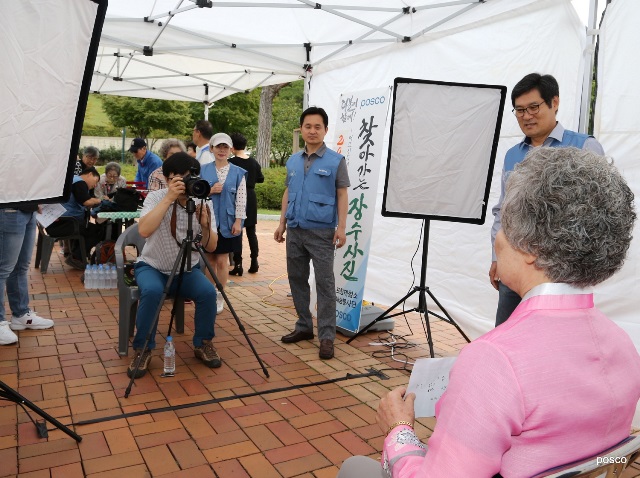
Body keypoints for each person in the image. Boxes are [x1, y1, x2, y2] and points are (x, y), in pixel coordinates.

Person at [338, 147, 640, 478]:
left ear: (531, 246)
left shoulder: (495, 359)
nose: (497, 237)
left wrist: (399, 430)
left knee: (355, 468)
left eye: (504, 223)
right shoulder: (622, 344)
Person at [489, 73, 605, 327]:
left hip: (561, 273)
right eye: (519, 110)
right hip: (517, 267)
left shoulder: (584, 148)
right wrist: (497, 258)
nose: (526, 116)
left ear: (554, 103)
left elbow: (597, 213)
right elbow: (502, 211)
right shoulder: (512, 154)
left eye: (533, 107)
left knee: (555, 339)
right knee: (507, 333)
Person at [127, 152, 220, 379]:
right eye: (184, 178)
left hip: (186, 269)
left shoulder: (201, 200)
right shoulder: (155, 197)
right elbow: (144, 231)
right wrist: (168, 198)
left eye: (193, 177)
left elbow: (212, 246)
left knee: (208, 292)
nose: (191, 183)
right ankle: (143, 348)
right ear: (169, 178)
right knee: (152, 291)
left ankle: (203, 343)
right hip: (153, 265)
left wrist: (206, 226)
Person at [273, 106, 350, 360]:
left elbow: (341, 194)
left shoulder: (335, 161)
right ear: (302, 129)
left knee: (325, 284)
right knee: (296, 279)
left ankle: (327, 337)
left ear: (325, 130)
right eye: (308, 126)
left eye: (318, 126)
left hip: (322, 232)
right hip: (295, 229)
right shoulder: (293, 161)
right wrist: (281, 223)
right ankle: (304, 326)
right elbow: (288, 192)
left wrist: (341, 227)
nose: (313, 130)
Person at [200, 133, 247, 314]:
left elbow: (241, 199)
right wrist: (209, 191)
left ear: (231, 150)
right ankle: (208, 294)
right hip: (208, 222)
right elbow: (196, 195)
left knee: (222, 260)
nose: (222, 150)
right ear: (211, 148)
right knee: (209, 260)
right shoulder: (202, 170)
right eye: (218, 146)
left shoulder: (238, 172)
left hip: (228, 223)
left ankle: (220, 295)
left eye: (225, 147)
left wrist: (238, 221)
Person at [0, 204, 54, 345]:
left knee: (21, 266)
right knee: (3, 269)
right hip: (8, 208)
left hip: (29, 210)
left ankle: (21, 313)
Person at [46, 167, 105, 270]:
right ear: (90, 174)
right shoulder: (79, 182)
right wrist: (99, 200)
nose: (95, 185)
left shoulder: (72, 180)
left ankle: (78, 256)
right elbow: (86, 201)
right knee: (97, 231)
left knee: (88, 228)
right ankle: (76, 258)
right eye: (96, 181)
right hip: (64, 224)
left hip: (57, 222)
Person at [228, 132, 264, 275]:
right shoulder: (253, 162)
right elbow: (261, 178)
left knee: (237, 232)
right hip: (251, 196)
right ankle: (254, 262)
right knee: (251, 232)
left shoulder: (231, 163)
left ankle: (238, 264)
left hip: (237, 197)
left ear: (232, 146)